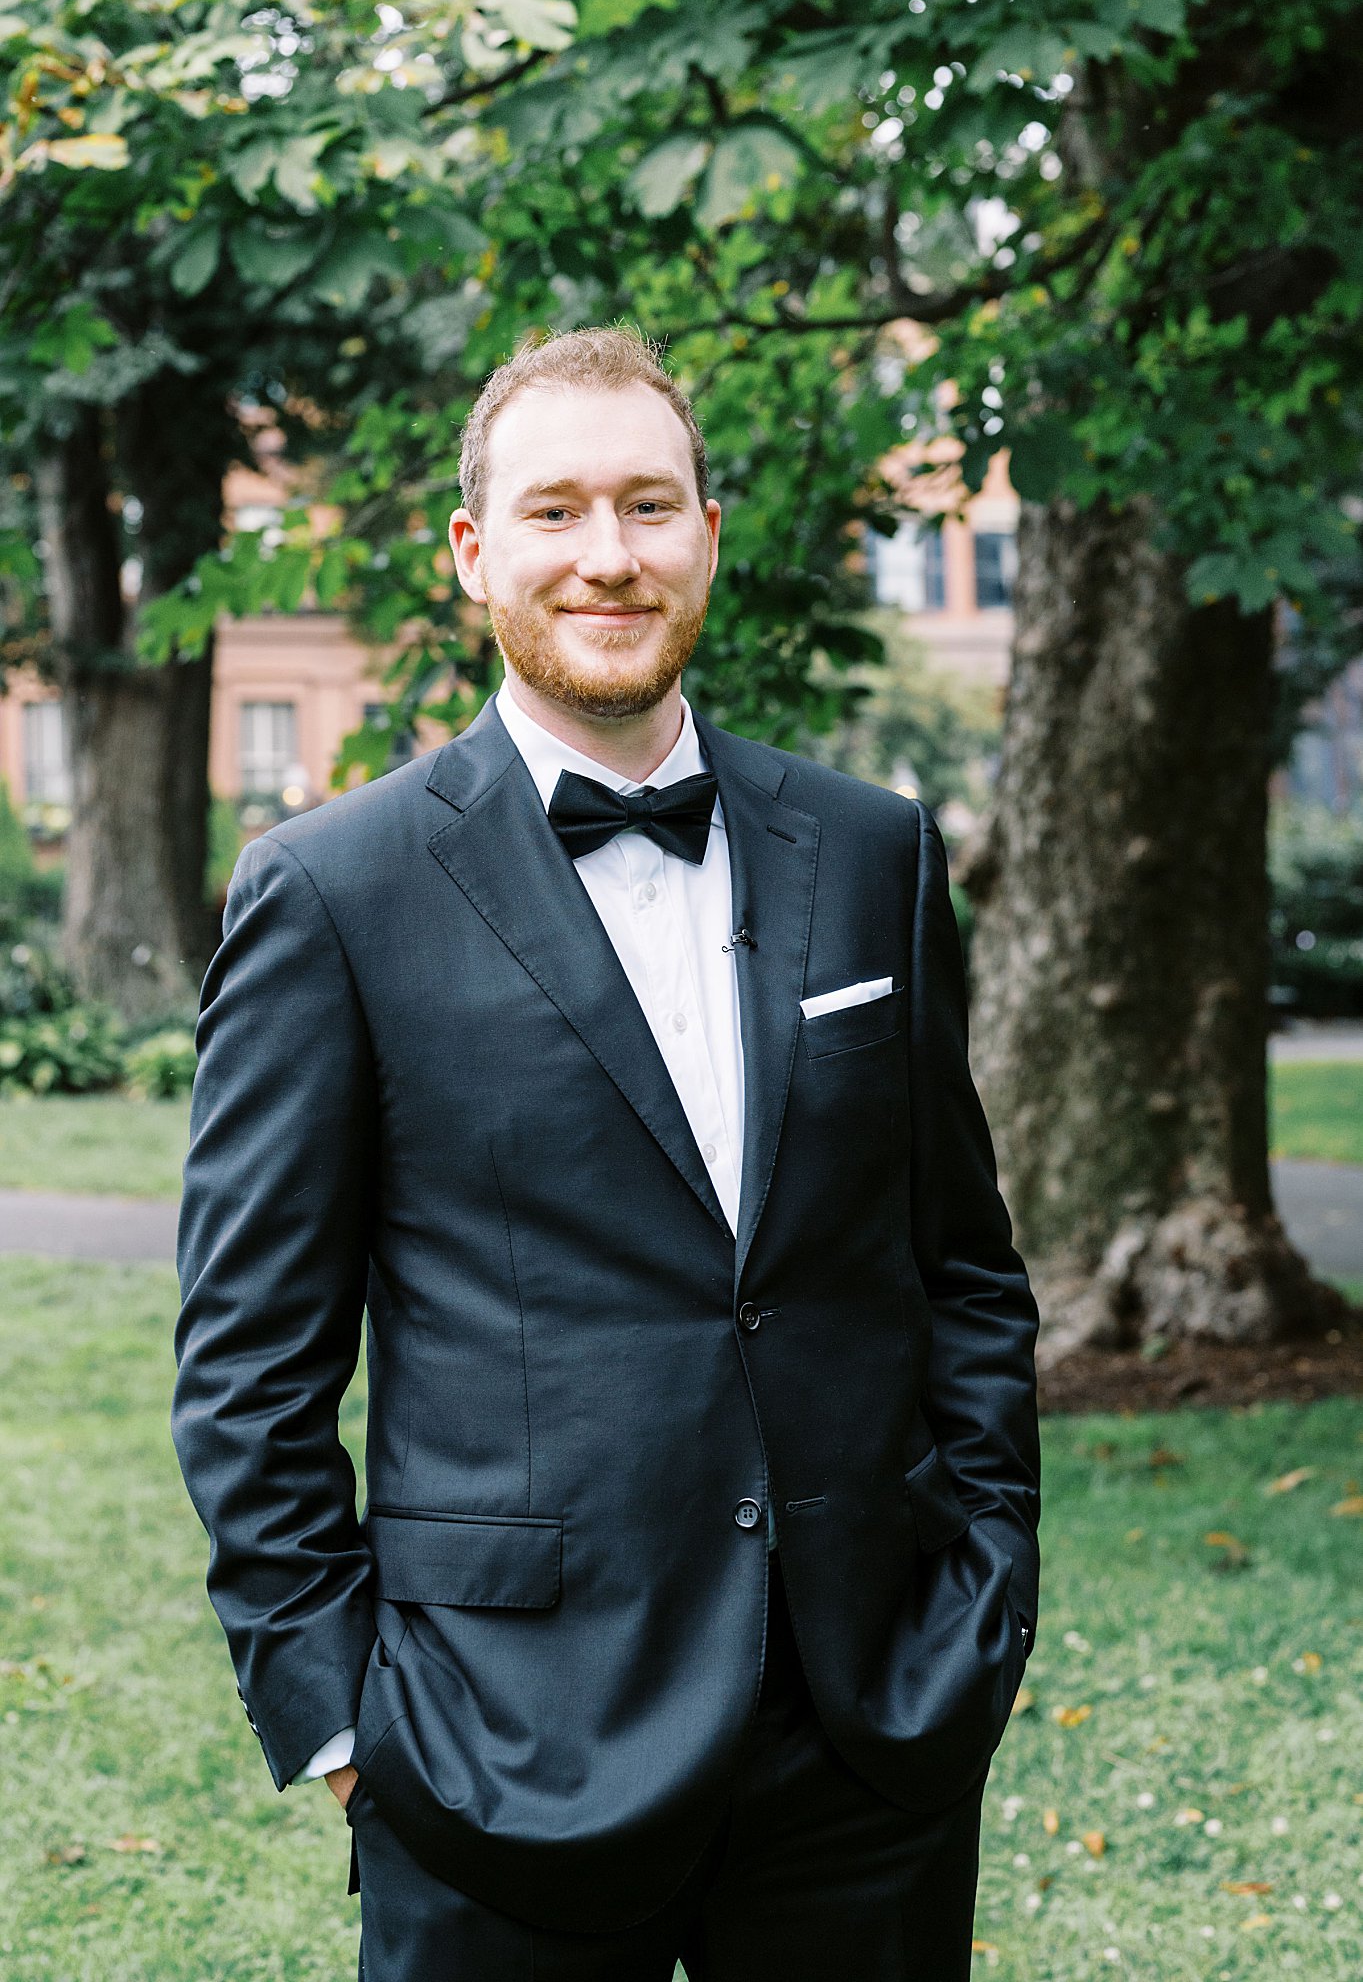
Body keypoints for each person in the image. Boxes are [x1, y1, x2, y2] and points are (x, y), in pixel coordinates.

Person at [172, 326, 1041, 1981]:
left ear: (710, 529)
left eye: (649, 505)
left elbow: (961, 1265)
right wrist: (345, 1724)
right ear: (473, 552)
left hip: (868, 1730)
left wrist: (983, 1594)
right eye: (557, 510)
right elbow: (248, 1367)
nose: (609, 555)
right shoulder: (333, 892)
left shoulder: (874, 852)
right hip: (495, 1754)